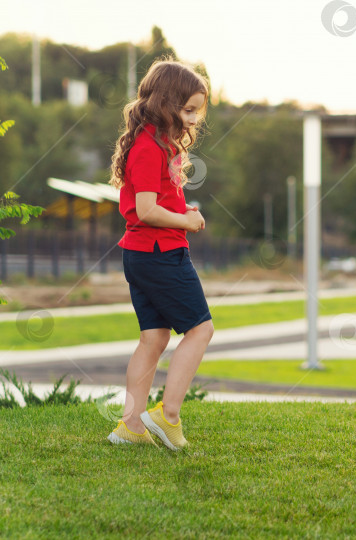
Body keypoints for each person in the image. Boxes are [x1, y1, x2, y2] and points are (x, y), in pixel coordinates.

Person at [106, 59, 214, 450]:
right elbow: (149, 210)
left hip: (140, 254)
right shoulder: (149, 148)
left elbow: (151, 203)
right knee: (201, 329)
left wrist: (181, 213)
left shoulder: (154, 143)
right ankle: (166, 416)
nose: (194, 119)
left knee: (153, 338)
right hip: (160, 253)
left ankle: (131, 425)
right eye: (188, 109)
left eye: (197, 110)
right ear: (166, 103)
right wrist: (186, 220)